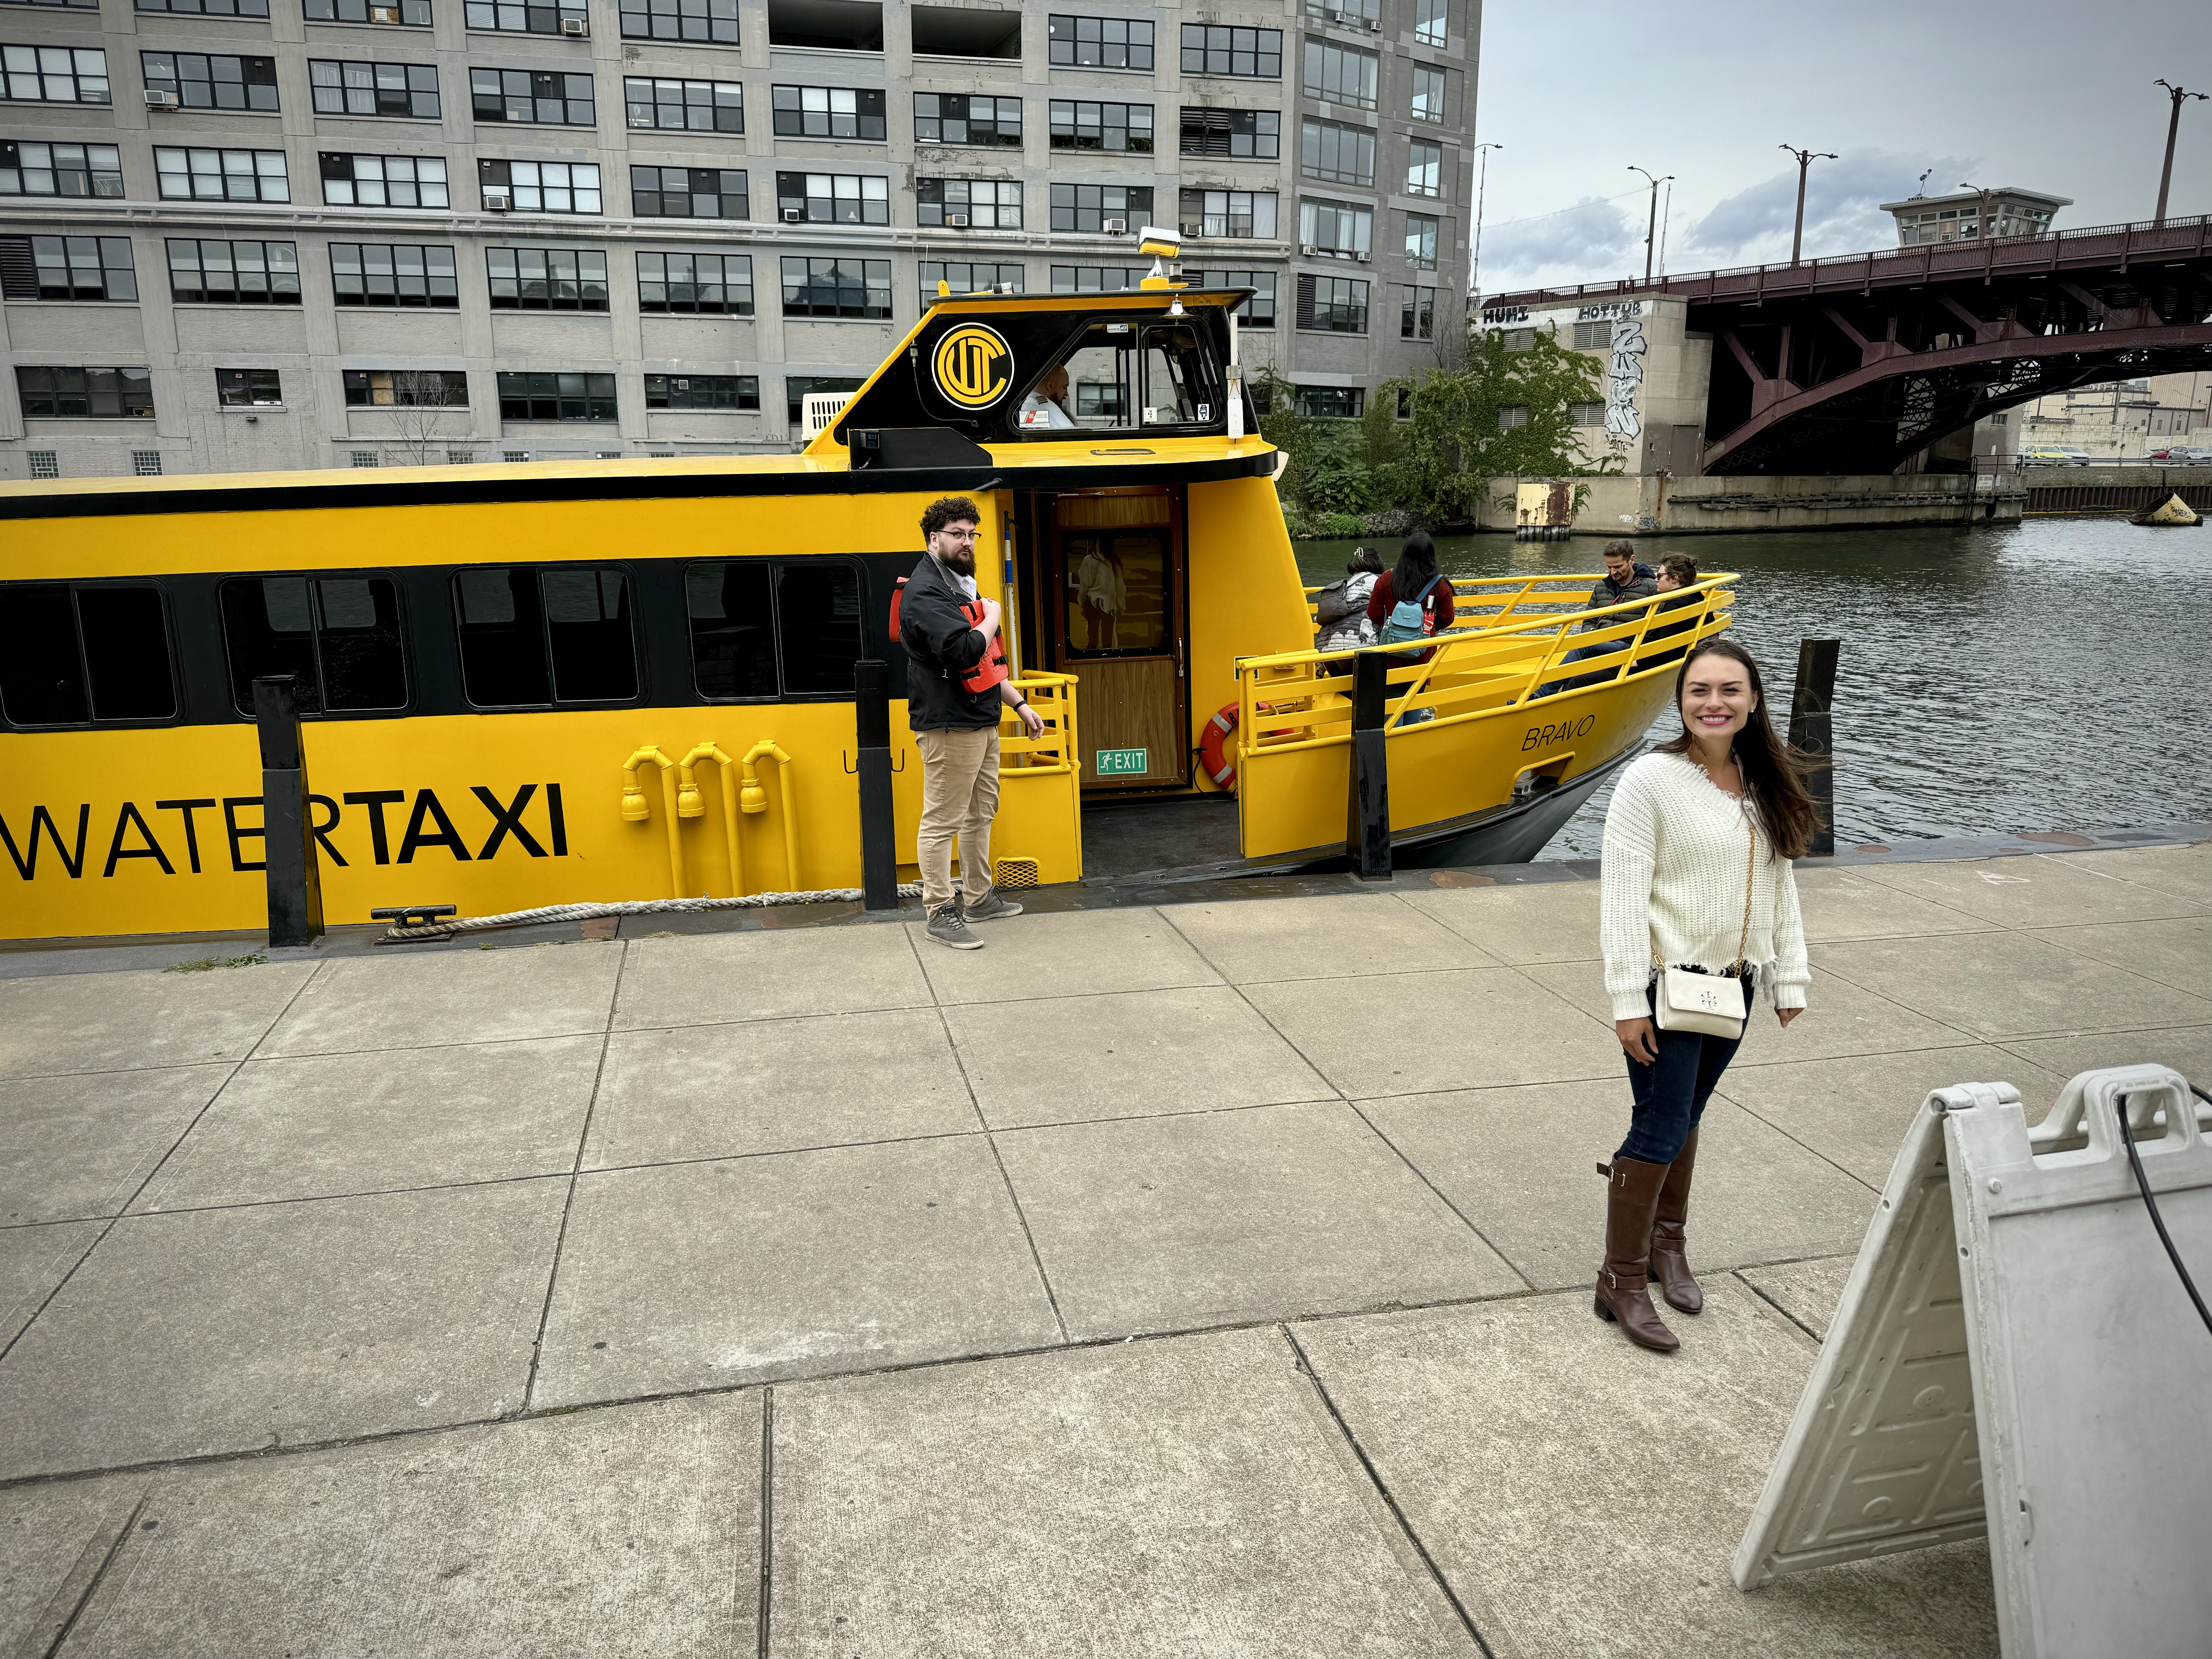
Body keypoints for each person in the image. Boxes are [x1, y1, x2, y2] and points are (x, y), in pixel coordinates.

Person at [1593, 639, 1814, 1352]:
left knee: (1686, 1114)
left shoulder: (1759, 779)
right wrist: (1628, 996)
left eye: (1729, 689)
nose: (1713, 702)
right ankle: (1621, 1276)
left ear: (1752, 700)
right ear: (1680, 701)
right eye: (1698, 690)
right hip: (1668, 986)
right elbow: (1623, 895)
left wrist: (1788, 973)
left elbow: (1780, 885)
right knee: (1658, 1125)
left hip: (1734, 984)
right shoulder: (1650, 780)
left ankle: (1667, 1244)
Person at [900, 496, 1047, 950]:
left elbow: (985, 662)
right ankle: (940, 912)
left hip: (981, 720)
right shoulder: (925, 591)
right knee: (942, 821)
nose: (966, 542)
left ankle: (979, 898)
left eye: (971, 534)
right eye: (957, 534)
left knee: (981, 812)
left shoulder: (960, 586)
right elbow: (964, 650)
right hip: (949, 725)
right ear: (934, 539)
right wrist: (996, 614)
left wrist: (1020, 705)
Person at [1537, 540, 1657, 697]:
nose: (1613, 572)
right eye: (1609, 567)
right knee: (1575, 671)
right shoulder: (1602, 587)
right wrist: (1592, 633)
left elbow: (1655, 626)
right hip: (1600, 641)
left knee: (1582, 646)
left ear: (1632, 560)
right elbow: (1588, 619)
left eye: (1618, 567)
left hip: (1628, 645)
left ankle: (1542, 695)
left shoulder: (1650, 587)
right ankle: (1557, 701)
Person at [1366, 532, 1455, 723]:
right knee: (1414, 702)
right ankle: (1408, 744)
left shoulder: (1387, 578)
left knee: (1390, 710)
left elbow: (1373, 612)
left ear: (1404, 553)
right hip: (1421, 655)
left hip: (1391, 655)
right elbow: (1448, 618)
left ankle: (1390, 746)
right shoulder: (1439, 585)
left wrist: (1391, 630)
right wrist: (1426, 631)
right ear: (1431, 555)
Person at [1633, 553, 1702, 671]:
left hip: (1652, 666)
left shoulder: (1675, 605)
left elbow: (1668, 650)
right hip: (1689, 658)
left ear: (1675, 578)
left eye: (1660, 576)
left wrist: (1639, 663)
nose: (1656, 579)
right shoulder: (1698, 596)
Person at [1313, 546, 1383, 661]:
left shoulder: (1345, 587)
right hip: (1360, 652)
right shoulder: (1379, 582)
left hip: (1325, 652)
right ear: (1377, 563)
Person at [1018, 366, 1076, 430]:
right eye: (1064, 387)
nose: (1067, 394)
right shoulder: (1044, 409)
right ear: (1050, 386)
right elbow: (1069, 435)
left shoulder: (1031, 404)